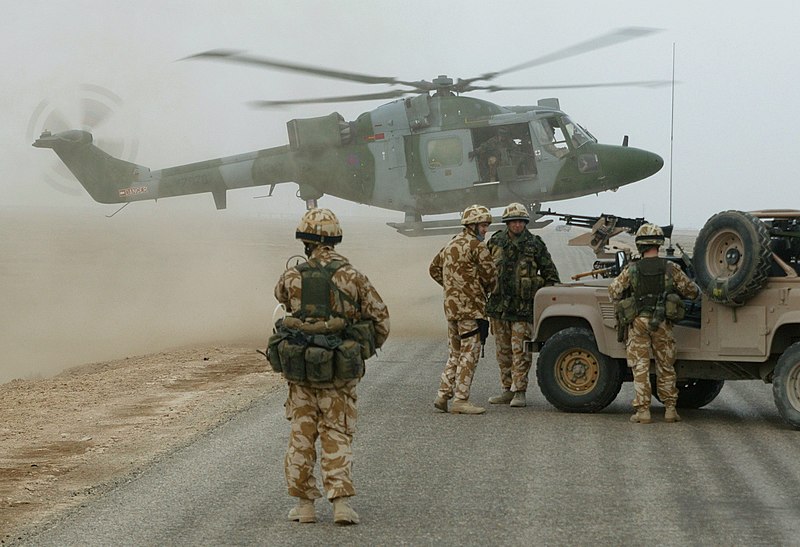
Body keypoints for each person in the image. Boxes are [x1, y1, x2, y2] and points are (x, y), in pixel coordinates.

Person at [272, 208, 390, 525]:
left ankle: (305, 507)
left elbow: (282, 301)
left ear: (305, 239)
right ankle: (340, 506)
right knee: (336, 433)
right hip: (339, 374)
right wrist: (357, 349)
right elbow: (381, 320)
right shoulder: (352, 276)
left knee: (301, 435)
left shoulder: (292, 275)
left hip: (301, 374)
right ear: (335, 238)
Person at [608, 223, 699, 424]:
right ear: (659, 244)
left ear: (639, 245)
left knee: (640, 367)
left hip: (638, 322)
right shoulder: (671, 268)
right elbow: (692, 292)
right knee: (665, 366)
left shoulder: (631, 269)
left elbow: (613, 291)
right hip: (663, 323)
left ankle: (643, 411)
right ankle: (669, 410)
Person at [486, 203, 560, 408]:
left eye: (520, 221)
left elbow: (551, 276)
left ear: (525, 223)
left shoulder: (534, 244)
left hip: (523, 309)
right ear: (507, 223)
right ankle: (506, 389)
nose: (517, 225)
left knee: (521, 352)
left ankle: (520, 391)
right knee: (503, 352)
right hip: (499, 307)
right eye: (513, 221)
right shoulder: (496, 242)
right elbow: (484, 272)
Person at [429, 204, 497, 414]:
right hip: (471, 310)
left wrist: (452, 288)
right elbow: (491, 276)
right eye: (483, 226)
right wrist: (478, 290)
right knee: (469, 353)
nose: (485, 230)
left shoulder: (450, 244)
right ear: (473, 225)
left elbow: (434, 269)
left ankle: (443, 394)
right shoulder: (477, 247)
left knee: (455, 353)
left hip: (452, 309)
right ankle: (461, 399)